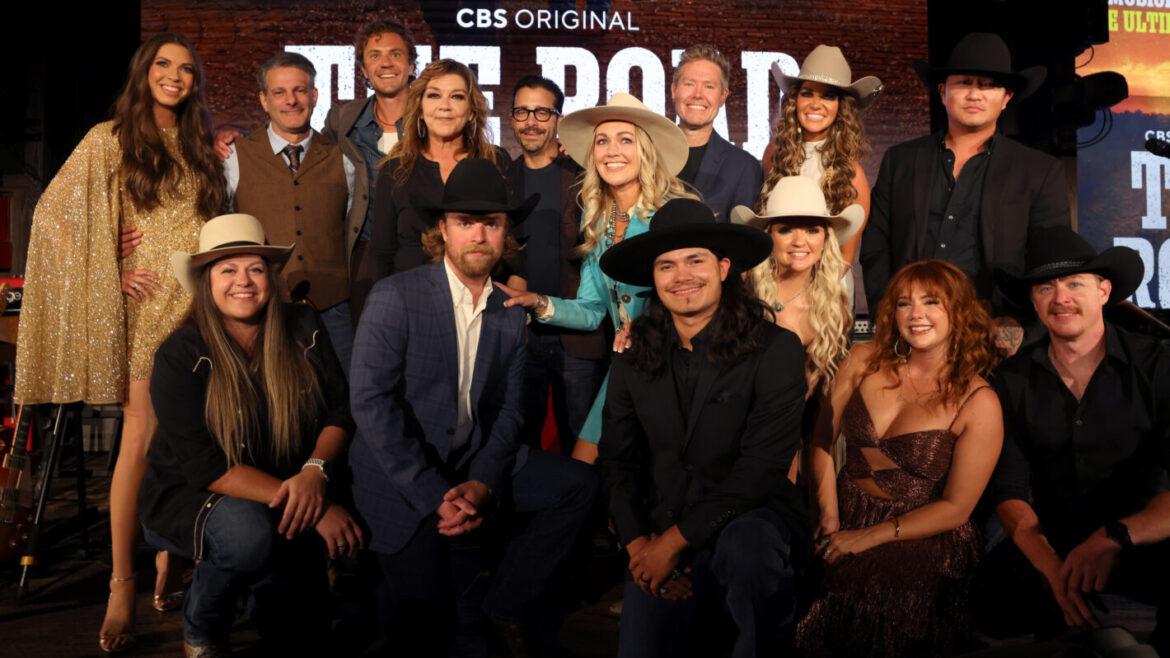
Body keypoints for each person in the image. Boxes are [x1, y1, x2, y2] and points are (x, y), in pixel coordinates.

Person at [14, 33, 227, 654]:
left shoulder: (198, 146)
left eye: (186, 69)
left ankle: (170, 559)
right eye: (164, 64)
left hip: (200, 311)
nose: (175, 76)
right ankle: (121, 582)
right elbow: (51, 217)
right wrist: (106, 258)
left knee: (190, 442)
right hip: (148, 310)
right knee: (138, 442)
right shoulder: (109, 138)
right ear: (144, 72)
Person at [348, 158, 596, 656]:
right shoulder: (396, 296)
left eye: (491, 223)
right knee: (425, 624)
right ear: (443, 229)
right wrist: (436, 495)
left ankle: (506, 605)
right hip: (406, 474)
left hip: (472, 457)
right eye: (465, 222)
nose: (479, 234)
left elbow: (508, 411)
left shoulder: (509, 309)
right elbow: (373, 406)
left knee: (578, 486)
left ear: (506, 234)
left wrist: (483, 482)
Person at [139, 213, 359, 656]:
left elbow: (340, 410)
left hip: (288, 482)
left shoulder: (303, 327)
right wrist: (312, 507)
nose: (244, 281)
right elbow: (205, 466)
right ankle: (203, 627)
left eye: (255, 268)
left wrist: (315, 474)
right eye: (228, 269)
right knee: (246, 536)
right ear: (206, 281)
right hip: (199, 492)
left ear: (270, 277)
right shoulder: (180, 354)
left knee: (304, 633)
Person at [595, 197, 807, 657]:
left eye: (696, 260)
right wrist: (639, 547)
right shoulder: (633, 357)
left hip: (749, 522)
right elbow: (616, 459)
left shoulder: (776, 349)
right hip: (661, 526)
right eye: (667, 266)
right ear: (653, 279)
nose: (682, 276)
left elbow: (761, 469)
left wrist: (674, 543)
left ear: (725, 267)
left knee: (748, 551)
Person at [796, 259, 1002, 657]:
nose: (916, 314)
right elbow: (821, 439)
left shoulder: (980, 401)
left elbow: (956, 509)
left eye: (931, 302)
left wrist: (867, 537)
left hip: (922, 534)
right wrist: (828, 514)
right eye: (905, 304)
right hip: (842, 510)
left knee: (857, 597)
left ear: (958, 312)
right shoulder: (861, 360)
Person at [980, 226, 1169, 652]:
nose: (1061, 298)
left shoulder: (1157, 365)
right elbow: (1009, 492)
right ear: (1033, 300)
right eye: (1046, 287)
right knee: (989, 599)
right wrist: (1051, 568)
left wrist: (1114, 536)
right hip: (1055, 541)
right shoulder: (1011, 381)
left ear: (1104, 292)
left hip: (1140, 536)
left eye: (1074, 284)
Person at [499, 92, 693, 464]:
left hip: (674, 369)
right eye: (602, 141)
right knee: (583, 466)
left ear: (646, 150)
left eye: (625, 140)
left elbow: (697, 301)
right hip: (625, 367)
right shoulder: (600, 221)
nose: (611, 151)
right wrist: (537, 302)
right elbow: (590, 311)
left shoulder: (672, 215)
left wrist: (650, 328)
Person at [860, 32, 1070, 317]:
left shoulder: (1039, 171)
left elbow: (1049, 259)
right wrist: (886, 313)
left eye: (988, 86)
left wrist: (1018, 325)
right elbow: (876, 245)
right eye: (964, 83)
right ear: (943, 92)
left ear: (1006, 98)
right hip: (910, 323)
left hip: (992, 328)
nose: (974, 95)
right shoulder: (902, 160)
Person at [222, 51, 359, 376]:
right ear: (264, 100)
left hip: (334, 311)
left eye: (299, 91)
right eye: (279, 92)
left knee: (343, 406)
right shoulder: (234, 156)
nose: (291, 101)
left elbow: (353, 226)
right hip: (262, 309)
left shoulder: (343, 158)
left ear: (314, 96)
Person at [732, 175, 863, 482]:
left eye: (812, 229)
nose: (800, 241)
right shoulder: (740, 293)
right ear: (769, 236)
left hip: (803, 437)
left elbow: (815, 401)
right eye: (786, 229)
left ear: (825, 239)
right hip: (739, 433)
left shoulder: (835, 309)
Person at [506, 75, 608, 452]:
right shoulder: (502, 178)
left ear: (557, 119)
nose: (531, 120)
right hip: (521, 334)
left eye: (542, 111)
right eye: (522, 111)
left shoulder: (586, 179)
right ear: (512, 118)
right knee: (520, 444)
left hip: (577, 336)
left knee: (581, 445)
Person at [369, 58, 510, 280]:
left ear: (472, 111)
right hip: (410, 301)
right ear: (421, 110)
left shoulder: (496, 161)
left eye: (457, 96)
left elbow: (514, 247)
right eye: (434, 95)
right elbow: (379, 255)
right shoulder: (395, 170)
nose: (445, 105)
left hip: (482, 300)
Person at [322, 19, 417, 319]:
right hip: (364, 256)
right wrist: (237, 139)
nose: (385, 63)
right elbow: (307, 153)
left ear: (412, 66)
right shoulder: (343, 120)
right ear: (363, 70)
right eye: (374, 55)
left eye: (395, 54)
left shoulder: (434, 115)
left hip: (423, 254)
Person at [762, 44, 880, 272]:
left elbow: (845, 257)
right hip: (775, 282)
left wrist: (808, 296)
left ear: (841, 107)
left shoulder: (850, 172)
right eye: (807, 93)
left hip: (826, 290)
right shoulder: (774, 152)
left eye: (828, 96)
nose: (816, 104)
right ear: (795, 100)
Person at [670, 45, 762, 221]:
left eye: (709, 86)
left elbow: (742, 239)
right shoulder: (648, 155)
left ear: (723, 96)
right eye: (689, 84)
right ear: (674, 90)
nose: (698, 94)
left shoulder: (743, 167)